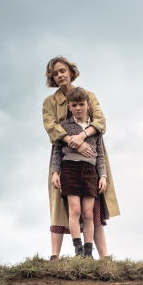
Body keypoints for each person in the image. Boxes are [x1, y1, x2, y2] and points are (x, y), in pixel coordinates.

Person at [42, 56, 120, 259]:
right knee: (62, 205)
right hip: (64, 155)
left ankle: (102, 256)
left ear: (70, 71)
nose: (59, 75)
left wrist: (82, 136)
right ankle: (55, 256)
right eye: (55, 73)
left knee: (92, 208)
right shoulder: (50, 102)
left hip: (91, 152)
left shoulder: (89, 96)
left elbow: (100, 121)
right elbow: (51, 126)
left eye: (62, 70)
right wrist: (70, 140)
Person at [50, 88, 107, 257]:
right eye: (74, 105)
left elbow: (101, 154)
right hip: (69, 169)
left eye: (81, 104)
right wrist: (55, 172)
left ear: (87, 105)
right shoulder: (64, 126)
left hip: (90, 171)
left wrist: (103, 175)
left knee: (88, 212)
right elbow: (57, 151)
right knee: (74, 210)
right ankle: (78, 249)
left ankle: (89, 251)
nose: (78, 108)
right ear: (69, 106)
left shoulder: (94, 128)